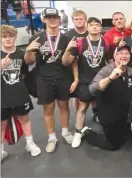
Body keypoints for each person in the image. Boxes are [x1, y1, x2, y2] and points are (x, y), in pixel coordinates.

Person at [24, 8, 74, 153]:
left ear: (60, 20)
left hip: (63, 77)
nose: (52, 20)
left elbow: (68, 62)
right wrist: (28, 50)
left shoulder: (66, 39)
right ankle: (52, 137)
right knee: (48, 109)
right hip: (44, 78)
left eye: (55, 17)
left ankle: (65, 132)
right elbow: (29, 61)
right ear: (44, 20)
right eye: (49, 17)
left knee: (64, 106)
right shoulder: (36, 38)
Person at [62, 17, 112, 148]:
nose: (94, 27)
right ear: (87, 27)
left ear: (101, 28)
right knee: (83, 107)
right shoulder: (79, 43)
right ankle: (78, 132)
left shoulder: (106, 43)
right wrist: (67, 50)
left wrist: (113, 74)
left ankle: (107, 131)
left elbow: (110, 60)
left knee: (104, 107)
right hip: (85, 81)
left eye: (97, 25)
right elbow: (66, 62)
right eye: (92, 25)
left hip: (101, 81)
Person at [1, 25, 41, 161]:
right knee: (2, 124)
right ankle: (1, 151)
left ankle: (30, 144)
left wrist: (29, 51)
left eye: (10, 36)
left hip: (20, 93)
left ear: (15, 37)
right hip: (2, 95)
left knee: (25, 119)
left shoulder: (20, 53)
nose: (7, 39)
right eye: (4, 36)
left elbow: (26, 70)